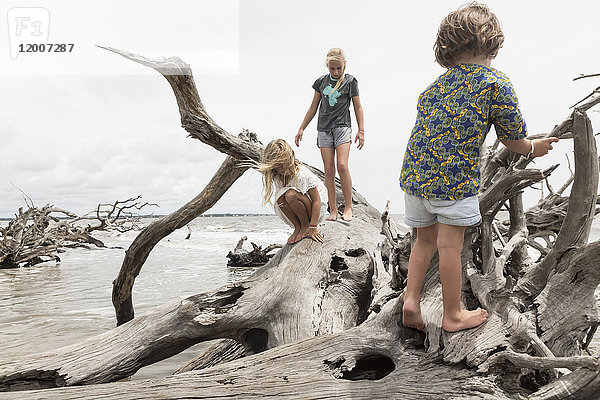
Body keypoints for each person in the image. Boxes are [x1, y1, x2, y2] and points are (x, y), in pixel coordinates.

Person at [399, 2, 559, 332]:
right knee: (450, 247)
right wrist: (533, 148)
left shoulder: (432, 89)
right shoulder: (495, 83)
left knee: (423, 242)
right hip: (454, 182)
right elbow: (512, 137)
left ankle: (411, 303)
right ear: (491, 42)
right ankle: (452, 313)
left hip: (415, 177)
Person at [295, 48, 365, 222]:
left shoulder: (350, 81)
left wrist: (361, 130)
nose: (335, 72)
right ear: (327, 66)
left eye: (339, 68)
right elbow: (313, 107)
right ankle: (333, 210)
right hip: (324, 129)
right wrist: (302, 128)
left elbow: (357, 107)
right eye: (332, 68)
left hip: (343, 127)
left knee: (342, 165)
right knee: (328, 170)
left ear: (344, 65)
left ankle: (348, 208)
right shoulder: (321, 82)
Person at [259, 139, 328, 244]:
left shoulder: (302, 175)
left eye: (282, 163)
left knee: (290, 195)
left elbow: (317, 201)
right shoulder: (279, 177)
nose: (280, 168)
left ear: (288, 159)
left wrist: (313, 227)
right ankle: (298, 226)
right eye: (276, 165)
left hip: (317, 210)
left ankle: (306, 226)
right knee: (280, 198)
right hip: (303, 208)